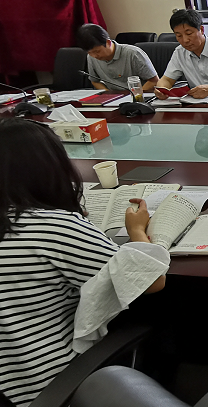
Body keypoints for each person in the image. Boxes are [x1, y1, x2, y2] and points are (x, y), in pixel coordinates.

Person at [0, 118, 167, 407]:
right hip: (48, 389)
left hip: (7, 387)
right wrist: (138, 232)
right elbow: (151, 281)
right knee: (158, 323)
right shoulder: (51, 226)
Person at [154, 9, 208, 99]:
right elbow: (167, 79)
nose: (185, 40)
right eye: (179, 35)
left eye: (189, 33)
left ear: (201, 30)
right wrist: (161, 89)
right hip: (201, 101)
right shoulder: (179, 52)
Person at [75, 24, 159, 92]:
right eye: (90, 53)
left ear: (108, 43)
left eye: (97, 51)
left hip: (138, 98)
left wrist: (136, 96)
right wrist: (108, 94)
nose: (94, 56)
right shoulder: (91, 57)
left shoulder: (133, 53)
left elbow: (154, 81)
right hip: (113, 101)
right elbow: (95, 81)